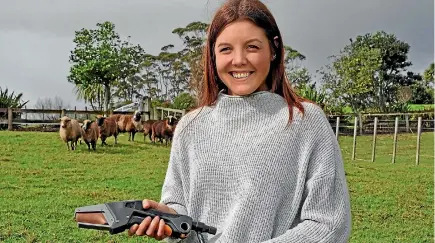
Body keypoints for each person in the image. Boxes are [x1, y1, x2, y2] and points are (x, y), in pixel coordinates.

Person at [128, 0, 352, 242]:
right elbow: (180, 206)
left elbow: (329, 223)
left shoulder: (305, 122)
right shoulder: (190, 126)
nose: (238, 60)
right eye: (225, 49)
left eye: (252, 47)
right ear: (213, 55)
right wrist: (170, 217)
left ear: (273, 49)